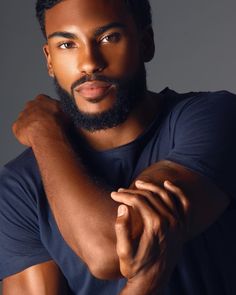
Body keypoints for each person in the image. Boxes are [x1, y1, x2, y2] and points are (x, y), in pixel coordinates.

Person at [1, 0, 236, 294]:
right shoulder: (19, 186)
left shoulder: (213, 117)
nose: (89, 63)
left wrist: (44, 132)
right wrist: (144, 284)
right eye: (66, 45)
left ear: (146, 43)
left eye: (108, 37)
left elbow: (111, 251)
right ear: (49, 60)